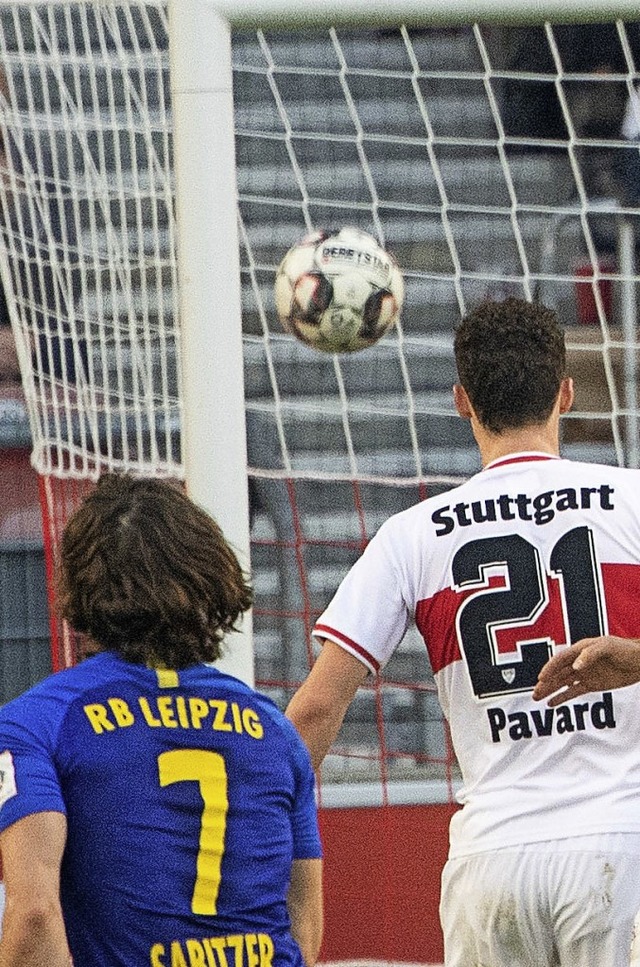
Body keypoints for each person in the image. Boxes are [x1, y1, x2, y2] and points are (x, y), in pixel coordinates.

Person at [286, 296, 640, 967]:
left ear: (460, 400)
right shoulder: (633, 499)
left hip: (491, 863)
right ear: (566, 392)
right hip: (620, 850)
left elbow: (314, 710)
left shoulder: (411, 536)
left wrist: (258, 839)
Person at [0, 473, 323, 967]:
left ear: (80, 586)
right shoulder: (275, 729)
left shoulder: (33, 724)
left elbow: (36, 917)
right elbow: (303, 921)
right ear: (212, 580)